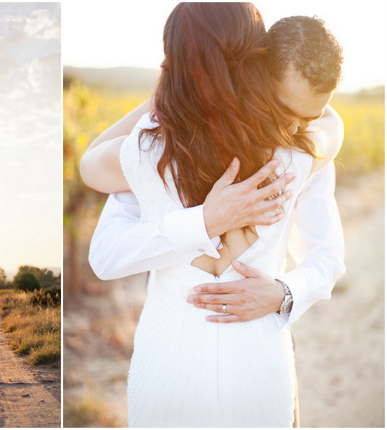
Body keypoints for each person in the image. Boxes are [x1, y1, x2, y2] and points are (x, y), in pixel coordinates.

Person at [79, 4, 344, 427]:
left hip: (175, 366)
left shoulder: (147, 153)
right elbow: (329, 129)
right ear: (255, 61)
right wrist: (206, 222)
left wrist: (286, 290)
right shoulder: (304, 152)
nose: (294, 123)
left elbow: (92, 177)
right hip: (240, 366)